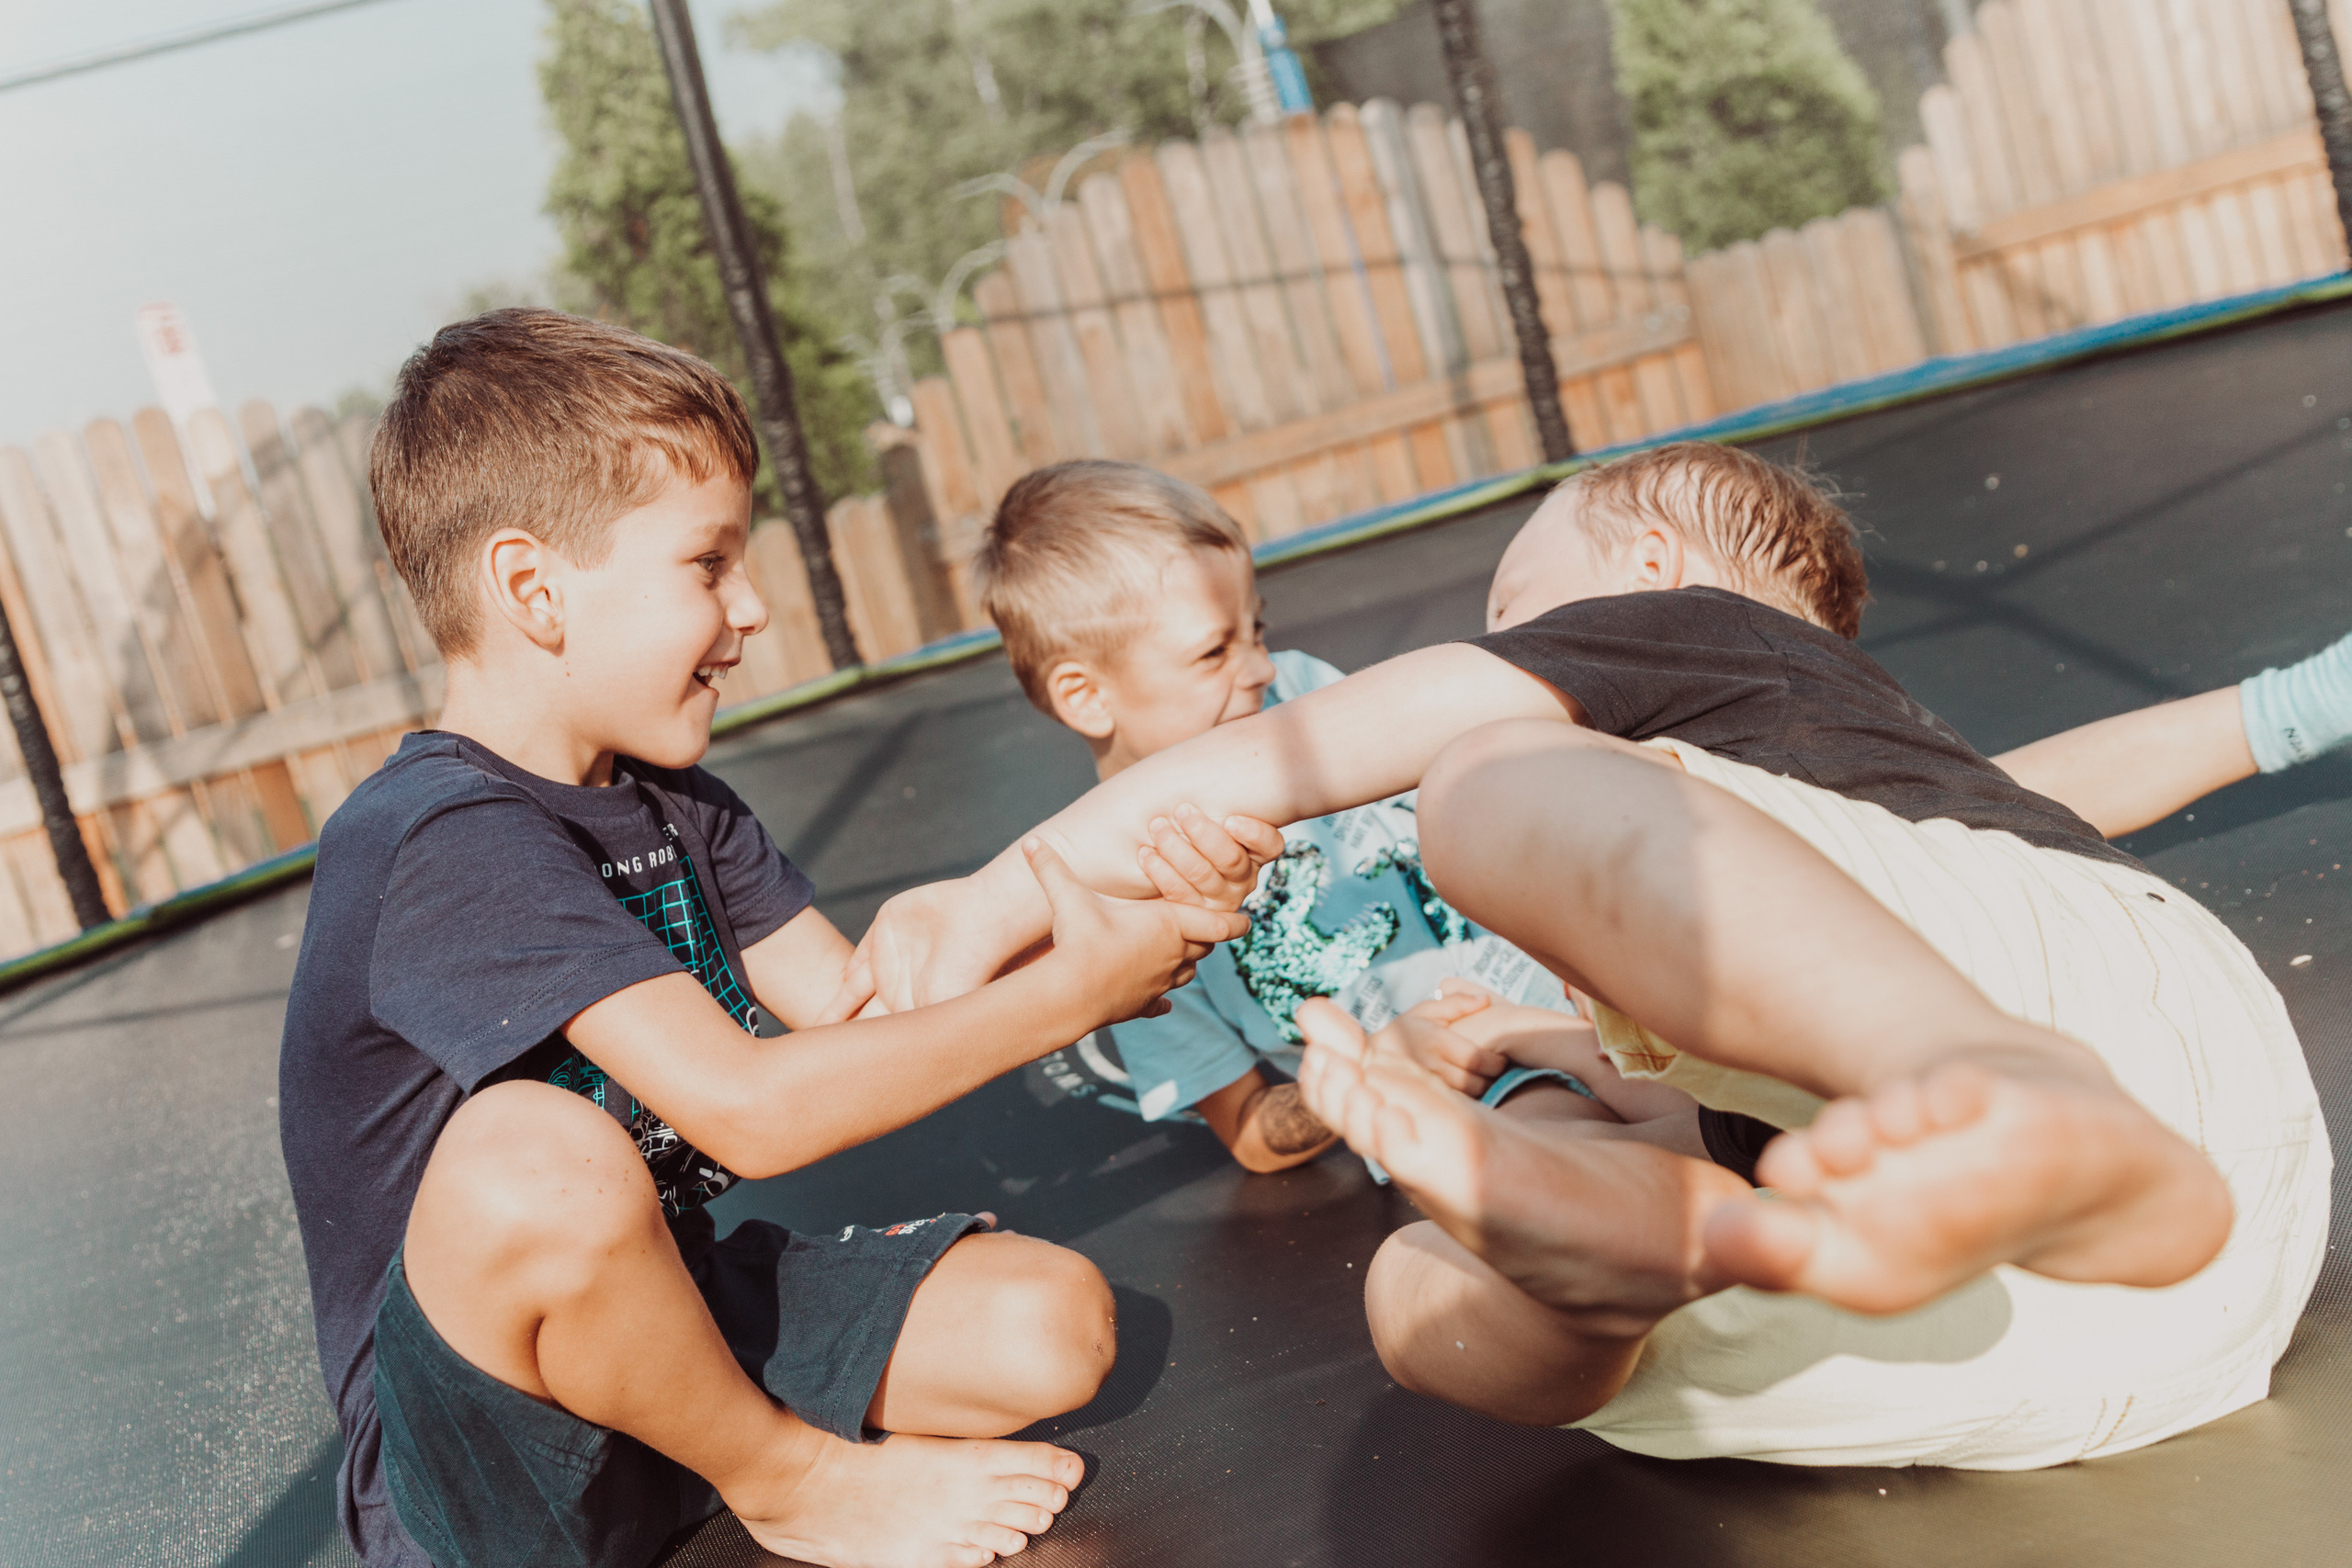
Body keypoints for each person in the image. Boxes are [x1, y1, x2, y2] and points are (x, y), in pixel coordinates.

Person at [834, 440, 2330, 1469]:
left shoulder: (1686, 643)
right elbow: (2031, 817)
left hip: (2028, 1092)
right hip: (2036, 1301)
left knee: (1483, 778)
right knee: (1424, 1274)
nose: (1499, 650)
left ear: (1658, 576)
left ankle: (1981, 1083)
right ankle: (1606, 1273)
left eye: (1513, 613)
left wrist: (994, 897)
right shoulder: (1861, 810)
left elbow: (1341, 741)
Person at [277, 310, 1271, 1568]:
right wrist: (1069, 996)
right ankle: (787, 1475)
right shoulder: (439, 839)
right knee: (536, 1154)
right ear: (533, 589)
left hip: (662, 1339)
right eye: (708, 564)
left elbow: (857, 1016)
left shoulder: (669, 801)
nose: (751, 608)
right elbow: (751, 1109)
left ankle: (707, 1451)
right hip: (477, 1448)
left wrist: (1100, 925)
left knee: (1050, 1324)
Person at [969, 460, 1609, 1176]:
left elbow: (1471, 795)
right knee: (1566, 1147)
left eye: (1257, 628)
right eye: (1215, 650)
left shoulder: (1301, 695)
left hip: (1593, 983)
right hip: (1476, 1089)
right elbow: (1249, 1131)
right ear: (1086, 697)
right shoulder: (1116, 914)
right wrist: (1364, 1071)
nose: (1261, 667)